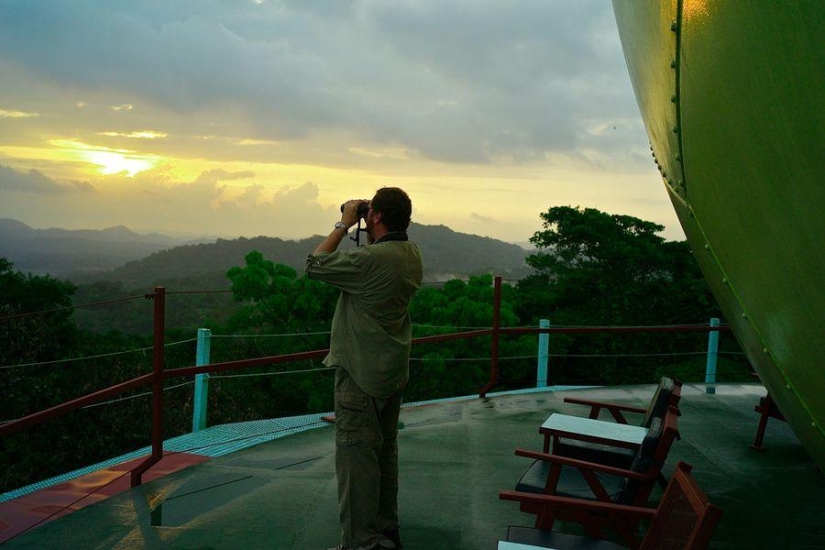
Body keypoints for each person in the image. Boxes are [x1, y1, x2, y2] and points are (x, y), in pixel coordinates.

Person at [305, 187, 424, 550]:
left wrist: (343, 224)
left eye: (368, 211)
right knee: (384, 455)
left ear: (375, 217)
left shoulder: (373, 260)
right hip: (391, 371)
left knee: (357, 461)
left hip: (360, 374)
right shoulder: (410, 253)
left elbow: (315, 264)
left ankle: (361, 544)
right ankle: (386, 530)